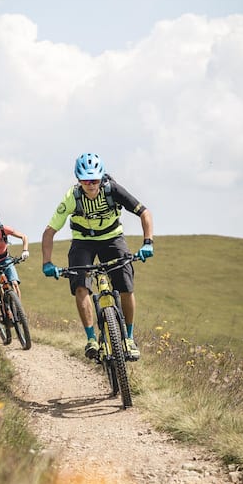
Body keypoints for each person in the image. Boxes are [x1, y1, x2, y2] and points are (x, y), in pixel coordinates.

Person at [41, 153, 154, 360]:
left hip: (112, 238)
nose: (91, 185)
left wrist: (148, 242)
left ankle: (129, 338)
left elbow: (144, 213)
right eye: (86, 181)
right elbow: (49, 232)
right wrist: (47, 262)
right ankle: (91, 339)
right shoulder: (72, 197)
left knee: (126, 286)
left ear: (101, 177)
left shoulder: (113, 190)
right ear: (78, 180)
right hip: (83, 242)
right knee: (80, 286)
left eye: (94, 180)